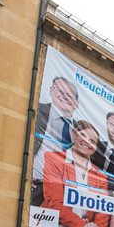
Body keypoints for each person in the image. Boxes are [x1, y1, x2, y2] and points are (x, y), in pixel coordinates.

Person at [42, 120, 110, 227]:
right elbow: (54, 202)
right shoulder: (54, 159)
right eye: (84, 135)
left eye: (93, 141)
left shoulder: (101, 175)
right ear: (74, 134)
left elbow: (103, 211)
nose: (88, 142)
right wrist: (82, 226)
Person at [32, 77, 80, 205]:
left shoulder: (80, 130)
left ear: (77, 104)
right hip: (36, 184)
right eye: (60, 91)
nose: (65, 97)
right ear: (51, 91)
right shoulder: (38, 110)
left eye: (70, 95)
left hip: (65, 193)